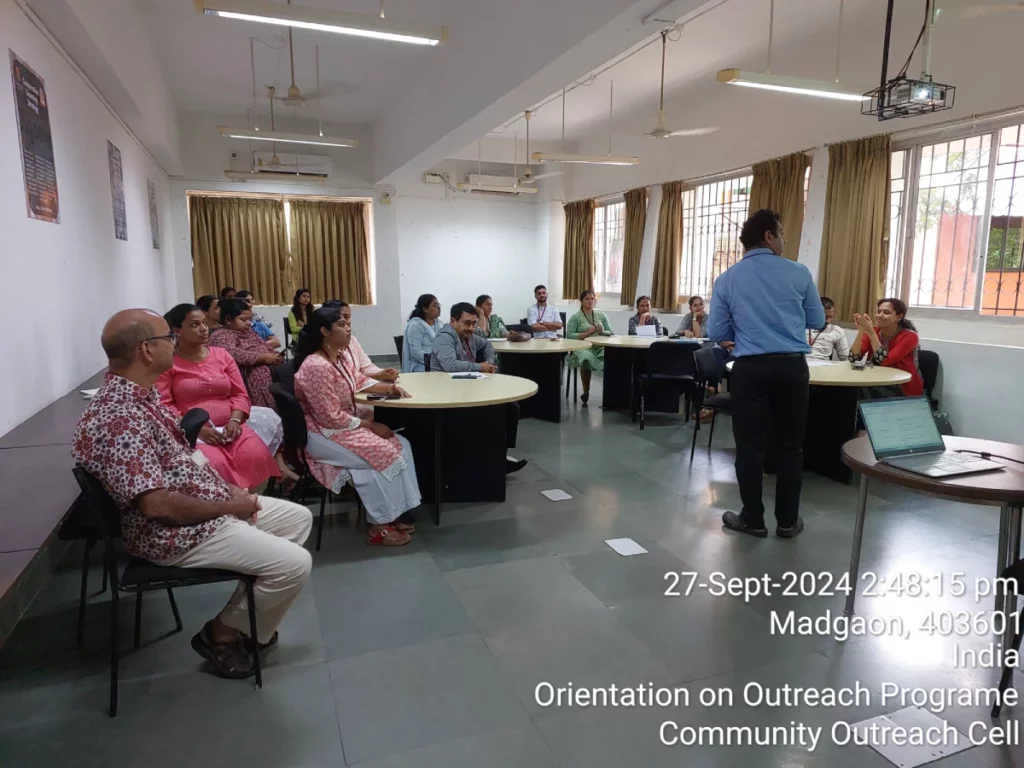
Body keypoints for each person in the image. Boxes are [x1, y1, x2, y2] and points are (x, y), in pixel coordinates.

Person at [73, 308, 312, 680]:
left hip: (204, 507)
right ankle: (222, 634)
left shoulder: (144, 397)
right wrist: (230, 505)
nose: (174, 343)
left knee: (298, 519)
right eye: (168, 337)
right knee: (294, 564)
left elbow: (185, 459)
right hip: (174, 532)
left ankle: (243, 621)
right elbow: (157, 505)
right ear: (146, 350)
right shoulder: (120, 418)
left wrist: (227, 489)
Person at [707, 208, 824, 540]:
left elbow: (716, 331)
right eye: (782, 233)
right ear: (769, 236)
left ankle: (753, 520)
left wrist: (746, 327)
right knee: (790, 447)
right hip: (791, 369)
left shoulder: (727, 279)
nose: (784, 239)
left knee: (749, 447)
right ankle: (787, 522)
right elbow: (817, 320)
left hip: (750, 371)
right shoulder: (798, 272)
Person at [293, 307, 421, 546]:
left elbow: (358, 380)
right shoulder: (316, 366)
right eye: (342, 325)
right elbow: (329, 417)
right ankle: (379, 526)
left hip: (341, 425)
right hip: (322, 432)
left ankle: (391, 514)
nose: (348, 328)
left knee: (400, 444)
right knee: (382, 452)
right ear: (325, 331)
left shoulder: (338, 357)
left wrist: (389, 388)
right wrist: (370, 425)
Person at [157, 303, 297, 488]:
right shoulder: (169, 364)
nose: (204, 328)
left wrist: (235, 420)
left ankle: (253, 502)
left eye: (204, 323)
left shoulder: (221, 355)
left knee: (255, 455)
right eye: (195, 324)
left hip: (231, 426)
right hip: (192, 432)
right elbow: (164, 405)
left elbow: (240, 394)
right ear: (177, 331)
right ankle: (227, 504)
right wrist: (197, 429)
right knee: (214, 464)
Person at [431, 302, 527, 474]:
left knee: (511, 408)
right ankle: (489, 461)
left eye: (474, 324)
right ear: (453, 321)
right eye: (467, 323)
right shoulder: (444, 337)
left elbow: (488, 345)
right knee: (497, 411)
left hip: (469, 388)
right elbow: (451, 365)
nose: (471, 328)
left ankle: (500, 458)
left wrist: (489, 362)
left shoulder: (469, 336)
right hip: (448, 393)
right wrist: (480, 367)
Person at [209, 298, 283, 409]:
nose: (249, 323)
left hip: (270, 378)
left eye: (249, 319)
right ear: (228, 319)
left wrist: (275, 355)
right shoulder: (221, 335)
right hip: (246, 382)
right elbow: (231, 353)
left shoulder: (249, 332)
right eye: (243, 319)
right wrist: (262, 358)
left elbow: (263, 345)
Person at [851, 298, 924, 398]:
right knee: (849, 388)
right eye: (878, 311)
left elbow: (885, 361)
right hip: (876, 378)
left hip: (901, 385)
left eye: (886, 312)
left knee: (858, 389)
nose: (880, 315)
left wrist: (871, 333)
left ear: (899, 317)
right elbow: (853, 358)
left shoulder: (910, 336)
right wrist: (861, 331)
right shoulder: (874, 331)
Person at [565, 290, 612, 405]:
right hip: (583, 347)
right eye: (587, 299)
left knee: (611, 356)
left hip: (600, 347)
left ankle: (610, 394)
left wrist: (602, 331)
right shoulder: (575, 317)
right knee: (585, 358)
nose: (590, 301)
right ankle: (586, 391)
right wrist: (587, 333)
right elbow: (569, 335)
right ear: (581, 301)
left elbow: (611, 332)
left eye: (592, 299)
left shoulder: (601, 316)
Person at [402, 293, 442, 373]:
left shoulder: (440, 324)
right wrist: (434, 360)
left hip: (439, 362)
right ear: (425, 309)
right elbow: (415, 352)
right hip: (421, 365)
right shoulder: (415, 325)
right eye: (435, 305)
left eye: (439, 305)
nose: (438, 308)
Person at [808, 297, 850, 361]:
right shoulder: (800, 328)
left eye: (830, 317)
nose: (827, 321)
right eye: (824, 317)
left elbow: (846, 358)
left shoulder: (837, 331)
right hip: (800, 364)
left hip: (823, 365)